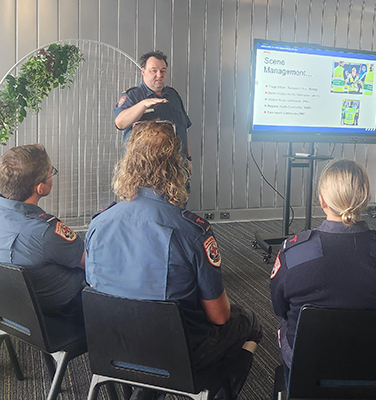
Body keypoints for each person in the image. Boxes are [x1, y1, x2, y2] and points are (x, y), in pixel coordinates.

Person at [85, 121, 262, 399]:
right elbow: (219, 316)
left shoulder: (98, 224)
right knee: (249, 322)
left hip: (113, 349)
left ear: (129, 162)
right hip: (176, 354)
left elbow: (95, 287)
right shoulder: (192, 232)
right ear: (177, 166)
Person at [270, 159, 376, 370]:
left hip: (309, 365)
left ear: (322, 201)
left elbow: (280, 307)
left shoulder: (293, 252)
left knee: (284, 326)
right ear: (366, 199)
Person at [0, 144, 86, 326]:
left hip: (7, 311)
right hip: (59, 317)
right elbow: (91, 262)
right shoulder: (46, 232)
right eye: (51, 173)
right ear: (40, 188)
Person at [114, 50, 193, 169]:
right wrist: (143, 105)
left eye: (163, 71)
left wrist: (189, 158)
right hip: (146, 171)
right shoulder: (133, 96)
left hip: (177, 168)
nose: (159, 75)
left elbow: (183, 127)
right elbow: (120, 123)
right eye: (154, 71)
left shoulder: (172, 95)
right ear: (143, 72)